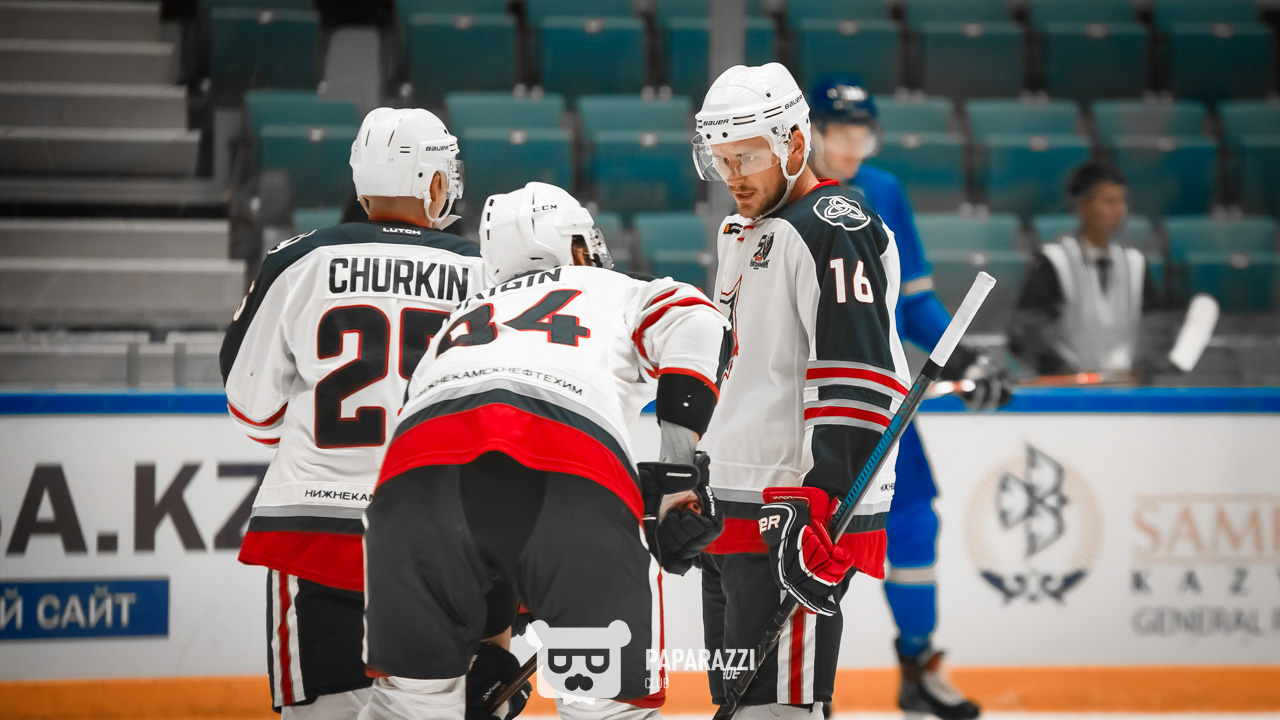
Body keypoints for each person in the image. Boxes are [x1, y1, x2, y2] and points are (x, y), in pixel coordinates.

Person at [359, 182, 730, 720]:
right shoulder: (613, 288)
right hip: (568, 463)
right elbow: (700, 325)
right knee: (603, 706)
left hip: (410, 481)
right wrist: (678, 476)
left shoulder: (456, 323)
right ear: (577, 246)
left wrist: (489, 649)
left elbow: (473, 488)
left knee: (411, 708)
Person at [219, 107, 479, 719]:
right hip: (442, 537)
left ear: (362, 185)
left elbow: (250, 411)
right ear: (433, 183)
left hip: (316, 534)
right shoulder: (484, 272)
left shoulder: (297, 260)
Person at [690, 62, 910, 718]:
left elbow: (856, 375)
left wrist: (824, 501)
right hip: (731, 509)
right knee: (740, 707)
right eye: (721, 160)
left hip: (788, 515)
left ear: (793, 142)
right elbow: (742, 374)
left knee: (777, 712)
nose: (733, 176)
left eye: (748, 157)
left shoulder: (834, 226)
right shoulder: (743, 231)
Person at [809, 74, 1012, 720]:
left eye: (861, 134)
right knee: (813, 539)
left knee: (916, 523)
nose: (851, 147)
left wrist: (967, 359)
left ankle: (918, 667)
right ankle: (800, 685)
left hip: (885, 401)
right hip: (810, 406)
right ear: (810, 131)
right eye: (839, 133)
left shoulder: (883, 191)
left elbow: (916, 302)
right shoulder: (790, 194)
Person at [1008, 161, 1164, 375]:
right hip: (1072, 386)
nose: (1119, 211)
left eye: (1122, 201)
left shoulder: (1135, 262)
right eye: (1109, 202)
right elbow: (1027, 329)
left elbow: (1154, 326)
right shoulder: (1055, 261)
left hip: (1126, 384)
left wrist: (1145, 362)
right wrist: (1061, 369)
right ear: (1082, 206)